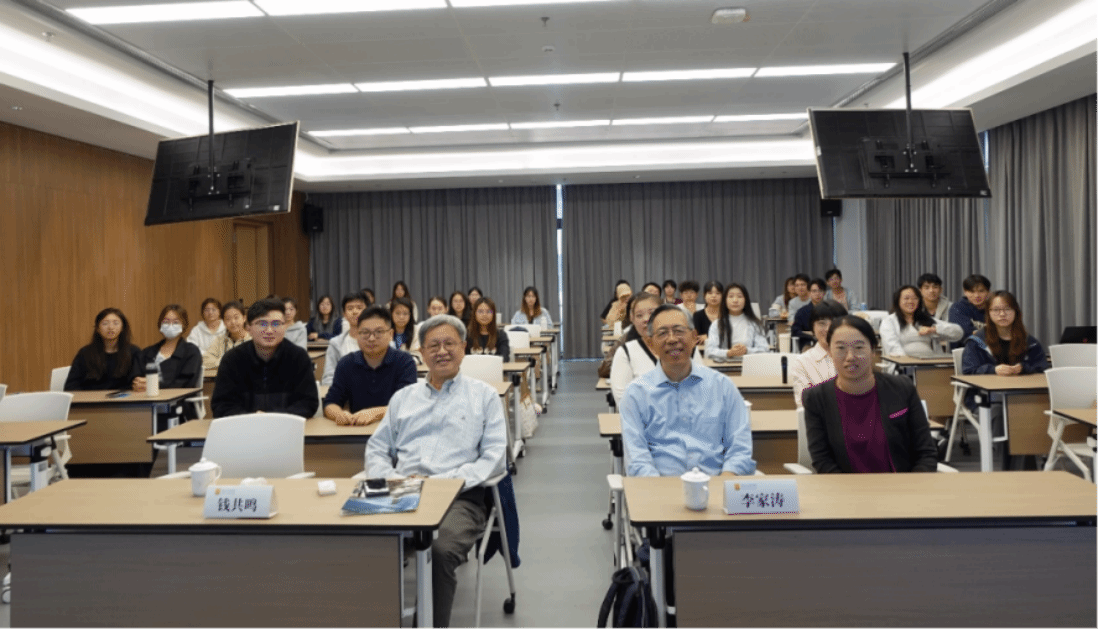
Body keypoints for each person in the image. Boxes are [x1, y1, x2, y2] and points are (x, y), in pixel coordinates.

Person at [365, 314, 507, 628]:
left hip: (458, 497)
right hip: (399, 489)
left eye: (449, 344)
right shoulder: (403, 398)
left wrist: (438, 482)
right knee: (357, 539)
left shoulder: (484, 397)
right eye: (433, 345)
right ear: (422, 352)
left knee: (439, 551)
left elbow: (494, 459)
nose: (441, 351)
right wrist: (393, 479)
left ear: (464, 348)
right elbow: (377, 449)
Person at [620, 305, 756, 477]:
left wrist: (723, 483)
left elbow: (740, 449)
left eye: (678, 331)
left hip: (716, 483)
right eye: (662, 333)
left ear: (694, 337)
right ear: (651, 344)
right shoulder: (635, 394)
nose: (672, 339)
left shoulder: (723, 387)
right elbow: (637, 459)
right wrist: (660, 490)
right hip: (659, 486)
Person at [802, 315, 938, 473]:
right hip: (844, 486)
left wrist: (913, 484)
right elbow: (822, 460)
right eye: (840, 348)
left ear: (873, 350)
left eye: (859, 347)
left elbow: (926, 453)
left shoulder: (902, 388)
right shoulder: (816, 398)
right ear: (830, 352)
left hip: (901, 484)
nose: (850, 357)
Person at [210, 298, 319, 418]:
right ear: (248, 328)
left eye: (276, 324)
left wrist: (273, 418)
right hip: (245, 426)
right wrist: (253, 418)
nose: (269, 330)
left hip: (286, 425)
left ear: (285, 327)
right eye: (262, 324)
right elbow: (221, 405)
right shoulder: (232, 360)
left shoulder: (298, 357)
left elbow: (308, 402)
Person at [322, 306, 417, 426]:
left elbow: (407, 404)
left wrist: (375, 413)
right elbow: (330, 402)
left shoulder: (405, 361)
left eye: (379, 332)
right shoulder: (346, 363)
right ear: (357, 335)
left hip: (396, 429)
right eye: (365, 332)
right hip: (358, 430)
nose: (371, 338)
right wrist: (339, 414)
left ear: (390, 334)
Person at [134, 304, 203, 422]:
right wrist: (137, 383)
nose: (170, 325)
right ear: (160, 324)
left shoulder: (191, 352)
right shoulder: (148, 352)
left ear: (184, 325)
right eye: (166, 322)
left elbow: (184, 384)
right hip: (144, 405)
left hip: (177, 407)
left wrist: (153, 385)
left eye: (176, 322)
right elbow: (136, 376)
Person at [962, 291, 1049, 379]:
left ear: (1016, 312)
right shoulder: (977, 342)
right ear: (988, 313)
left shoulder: (1030, 342)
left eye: (1007, 309)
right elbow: (969, 371)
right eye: (996, 310)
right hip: (989, 387)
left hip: (1022, 386)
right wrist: (994, 370)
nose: (1002, 314)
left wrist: (1023, 368)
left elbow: (1043, 368)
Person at [64, 307, 142, 391]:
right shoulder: (85, 353)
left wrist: (141, 384)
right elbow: (70, 386)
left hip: (124, 398)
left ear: (123, 327)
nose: (110, 327)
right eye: (105, 323)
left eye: (116, 323)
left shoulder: (134, 352)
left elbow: (139, 382)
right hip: (92, 398)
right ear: (97, 328)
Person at [790, 300, 848, 406]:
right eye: (822, 323)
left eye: (834, 323)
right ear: (812, 327)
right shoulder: (802, 362)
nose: (828, 329)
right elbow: (804, 404)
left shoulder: (854, 357)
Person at [880, 285, 963, 357]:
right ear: (897, 301)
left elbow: (958, 332)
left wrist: (934, 329)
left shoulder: (926, 319)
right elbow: (893, 347)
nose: (910, 301)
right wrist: (907, 363)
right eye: (906, 298)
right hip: (904, 366)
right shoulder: (889, 321)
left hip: (931, 364)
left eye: (915, 298)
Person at [609, 293, 662, 405]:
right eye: (639, 315)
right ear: (632, 318)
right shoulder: (625, 352)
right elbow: (624, 402)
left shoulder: (685, 348)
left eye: (652, 313)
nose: (646, 319)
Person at [705, 283, 769, 360]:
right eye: (731, 296)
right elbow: (710, 351)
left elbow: (764, 349)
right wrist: (729, 353)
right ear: (725, 300)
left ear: (745, 300)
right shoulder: (717, 324)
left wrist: (746, 350)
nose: (735, 300)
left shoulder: (755, 323)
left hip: (749, 365)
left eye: (739, 296)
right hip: (724, 366)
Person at [321, 292, 368, 386]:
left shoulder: (380, 341)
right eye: (350, 308)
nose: (355, 311)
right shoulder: (335, 343)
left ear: (368, 312)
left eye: (359, 308)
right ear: (344, 314)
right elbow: (328, 378)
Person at [201, 301, 250, 369]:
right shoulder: (220, 340)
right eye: (228, 319)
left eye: (236, 317)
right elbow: (205, 360)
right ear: (224, 322)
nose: (232, 322)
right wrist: (226, 361)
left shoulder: (253, 340)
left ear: (244, 318)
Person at [948, 274, 991, 349]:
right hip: (964, 350)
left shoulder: (994, 307)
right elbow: (966, 333)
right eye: (972, 291)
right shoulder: (958, 308)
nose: (977, 295)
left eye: (981, 291)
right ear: (965, 292)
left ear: (988, 292)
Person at [791, 278, 827, 346]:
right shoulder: (802, 312)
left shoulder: (831, 310)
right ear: (809, 293)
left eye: (820, 290)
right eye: (814, 291)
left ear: (824, 293)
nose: (817, 294)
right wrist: (812, 336)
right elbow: (795, 332)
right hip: (808, 344)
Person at [692, 281, 723, 346]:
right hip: (704, 350)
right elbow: (699, 339)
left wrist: (709, 337)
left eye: (718, 293)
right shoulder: (698, 316)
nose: (714, 296)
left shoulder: (727, 315)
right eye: (710, 293)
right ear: (704, 295)